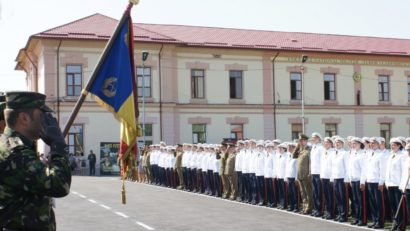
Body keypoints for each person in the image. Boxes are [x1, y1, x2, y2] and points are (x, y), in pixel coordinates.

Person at [0, 91, 71, 230]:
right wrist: (58, 146)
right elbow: (59, 185)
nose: (46, 120)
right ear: (24, 118)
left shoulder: (16, 146)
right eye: (42, 115)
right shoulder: (15, 152)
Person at [293, 134, 313, 215]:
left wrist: (310, 173)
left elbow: (311, 162)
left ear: (306, 141)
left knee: (308, 193)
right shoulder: (300, 150)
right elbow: (293, 155)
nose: (300, 142)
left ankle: (309, 208)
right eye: (300, 141)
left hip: (306, 174)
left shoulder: (309, 150)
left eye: (302, 141)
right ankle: (305, 207)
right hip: (300, 174)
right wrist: (297, 146)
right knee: (303, 193)